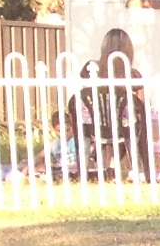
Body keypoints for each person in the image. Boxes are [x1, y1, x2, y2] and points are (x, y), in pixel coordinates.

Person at [62, 28, 154, 182]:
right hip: (122, 129)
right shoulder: (133, 75)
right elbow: (141, 106)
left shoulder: (90, 68)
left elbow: (81, 95)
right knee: (134, 127)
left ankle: (89, 170)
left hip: (93, 127)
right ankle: (140, 172)